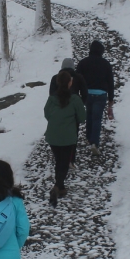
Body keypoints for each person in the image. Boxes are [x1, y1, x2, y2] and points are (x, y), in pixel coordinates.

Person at [44, 69, 87, 206]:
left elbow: (47, 114)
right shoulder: (75, 99)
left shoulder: (51, 99)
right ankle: (57, 187)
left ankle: (61, 188)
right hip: (68, 137)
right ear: (70, 82)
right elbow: (82, 118)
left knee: (59, 160)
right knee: (64, 162)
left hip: (53, 135)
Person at [76, 40, 115, 157]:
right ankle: (94, 143)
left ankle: (89, 137)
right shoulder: (106, 64)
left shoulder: (83, 63)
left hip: (87, 94)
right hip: (101, 94)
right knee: (97, 118)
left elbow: (77, 78)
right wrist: (111, 99)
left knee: (89, 115)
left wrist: (77, 93)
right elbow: (110, 82)